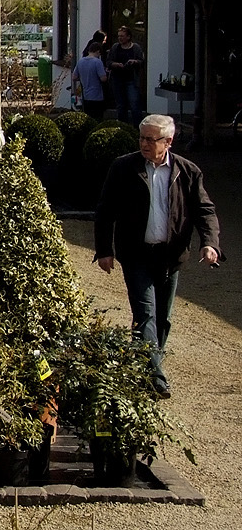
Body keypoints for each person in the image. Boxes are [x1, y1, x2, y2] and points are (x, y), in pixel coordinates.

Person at [94, 114, 222, 398]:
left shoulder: (187, 172)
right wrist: (104, 250)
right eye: (142, 137)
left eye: (152, 139)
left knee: (163, 318)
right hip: (136, 254)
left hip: (171, 256)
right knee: (145, 314)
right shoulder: (123, 168)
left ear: (168, 141)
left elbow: (205, 211)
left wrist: (210, 243)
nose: (145, 144)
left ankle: (146, 365)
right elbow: (105, 210)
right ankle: (156, 377)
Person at [106, 26, 145, 124]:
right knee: (120, 105)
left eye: (122, 36)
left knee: (134, 104)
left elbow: (142, 62)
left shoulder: (135, 48)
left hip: (131, 80)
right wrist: (115, 64)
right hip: (117, 79)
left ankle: (137, 127)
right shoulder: (115, 47)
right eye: (119, 36)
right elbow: (108, 62)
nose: (120, 38)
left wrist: (134, 61)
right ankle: (122, 126)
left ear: (128, 37)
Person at [73, 40, 109, 119]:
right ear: (98, 51)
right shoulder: (97, 62)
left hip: (85, 95)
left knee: (88, 117)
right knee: (97, 118)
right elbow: (103, 79)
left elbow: (74, 77)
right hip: (96, 96)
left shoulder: (80, 61)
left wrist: (83, 77)